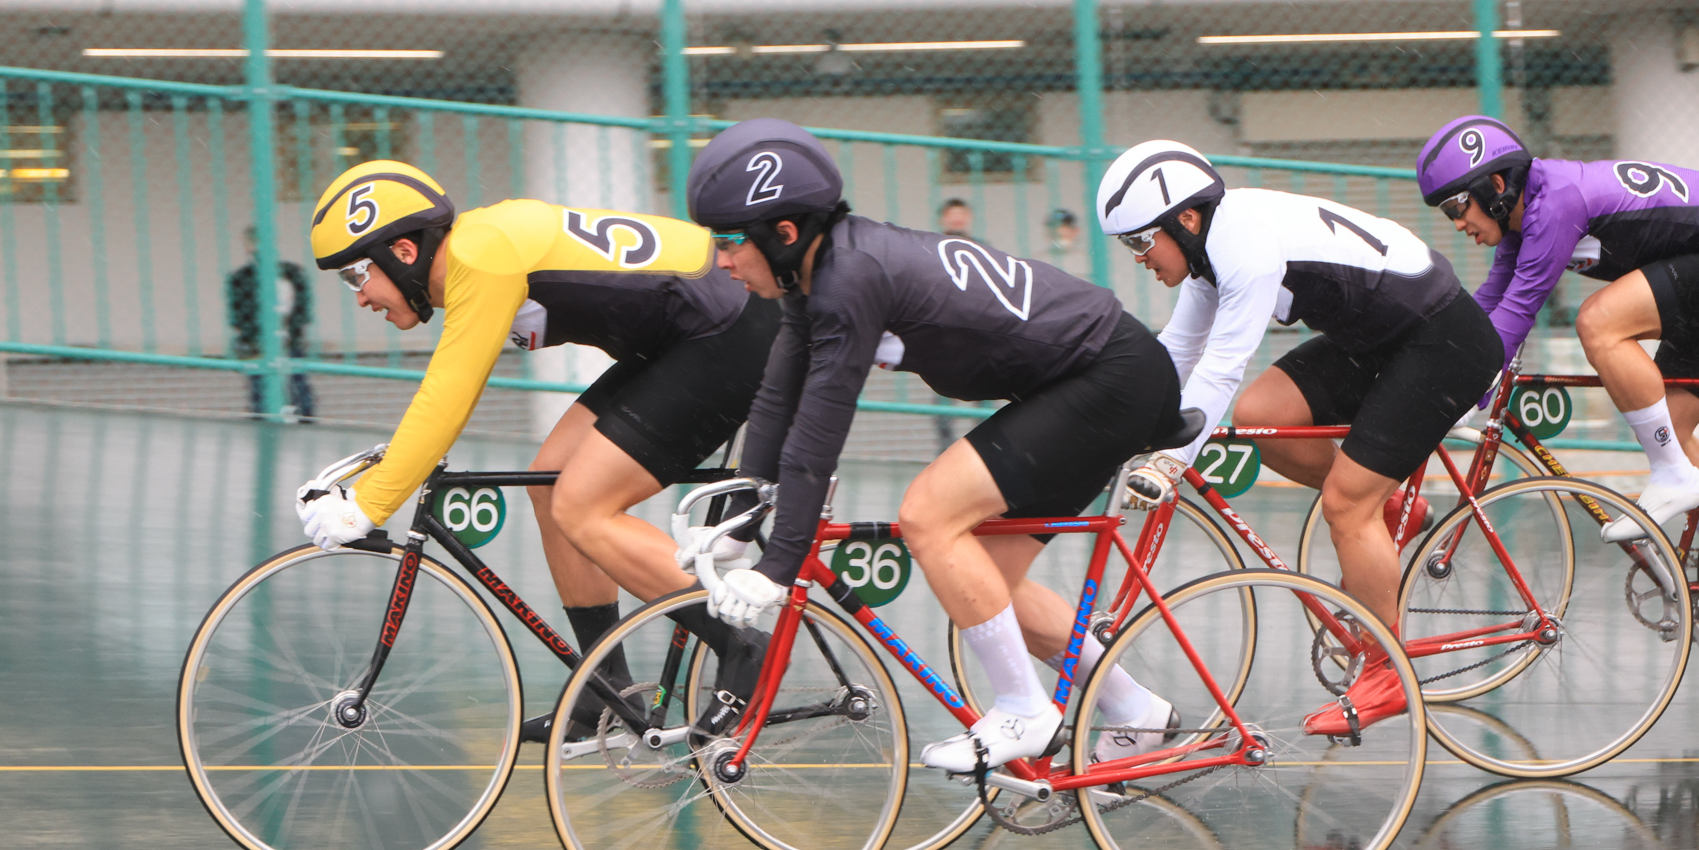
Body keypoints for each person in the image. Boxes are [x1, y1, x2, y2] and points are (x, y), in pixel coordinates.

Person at [692, 118, 1183, 773]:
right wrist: (738, 515)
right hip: (1096, 373)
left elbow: (819, 432)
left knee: (927, 511)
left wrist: (779, 565)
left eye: (728, 242)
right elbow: (779, 397)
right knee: (984, 576)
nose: (720, 262)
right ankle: (1135, 709)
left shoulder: (848, 279)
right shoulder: (819, 275)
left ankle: (1022, 708)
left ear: (783, 234)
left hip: (1110, 375)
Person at [296, 160, 780, 743]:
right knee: (549, 483)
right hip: (687, 337)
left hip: (728, 330)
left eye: (355, 276)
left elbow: (449, 393)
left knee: (582, 505)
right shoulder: (476, 252)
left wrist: (369, 503)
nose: (359, 297)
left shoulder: (479, 257)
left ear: (402, 251)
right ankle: (605, 692)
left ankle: (743, 645)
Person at [1098, 139, 1502, 735]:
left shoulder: (1244, 246)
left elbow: (1222, 362)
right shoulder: (1209, 244)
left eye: (1139, 240)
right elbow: (1180, 349)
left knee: (1344, 503)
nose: (1138, 257)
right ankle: (1395, 510)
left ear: (1185, 218)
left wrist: (1171, 460)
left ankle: (1386, 670)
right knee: (1263, 413)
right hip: (1378, 340)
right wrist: (1112, 429)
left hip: (1441, 340)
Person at [1416, 115, 1699, 571]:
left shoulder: (1555, 202)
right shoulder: (1524, 218)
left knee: (1599, 321)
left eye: (1457, 207)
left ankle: (1674, 476)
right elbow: (1490, 305)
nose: (1457, 223)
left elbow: (1518, 313)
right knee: (1671, 428)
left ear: (1495, 186)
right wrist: (1437, 365)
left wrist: (1465, 390)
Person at [227, 224, 317, 421]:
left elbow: (302, 310)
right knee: (261, 387)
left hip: (288, 339)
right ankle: (266, 421)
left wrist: (288, 331)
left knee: (297, 385)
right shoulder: (242, 278)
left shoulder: (292, 273)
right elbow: (239, 317)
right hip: (259, 343)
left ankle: (303, 420)